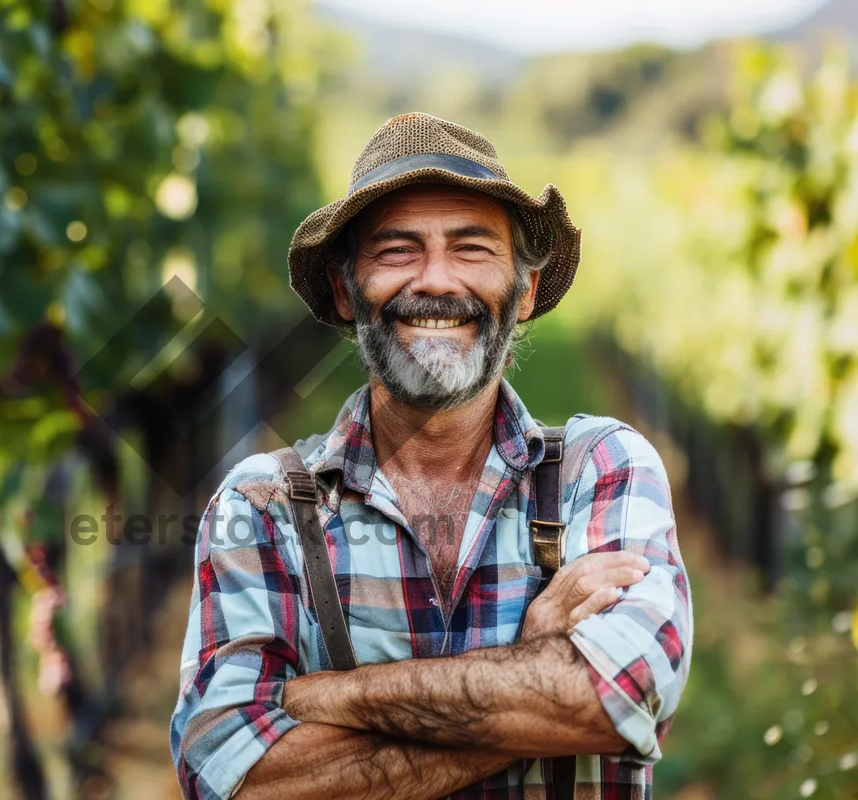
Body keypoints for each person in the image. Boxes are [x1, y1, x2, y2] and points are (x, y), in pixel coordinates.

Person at [170, 112, 692, 799]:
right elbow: (231, 778)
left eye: (472, 248)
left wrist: (332, 696)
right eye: (396, 251)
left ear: (525, 289)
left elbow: (620, 695)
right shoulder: (261, 506)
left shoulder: (603, 470)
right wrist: (532, 666)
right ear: (344, 289)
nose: (436, 281)